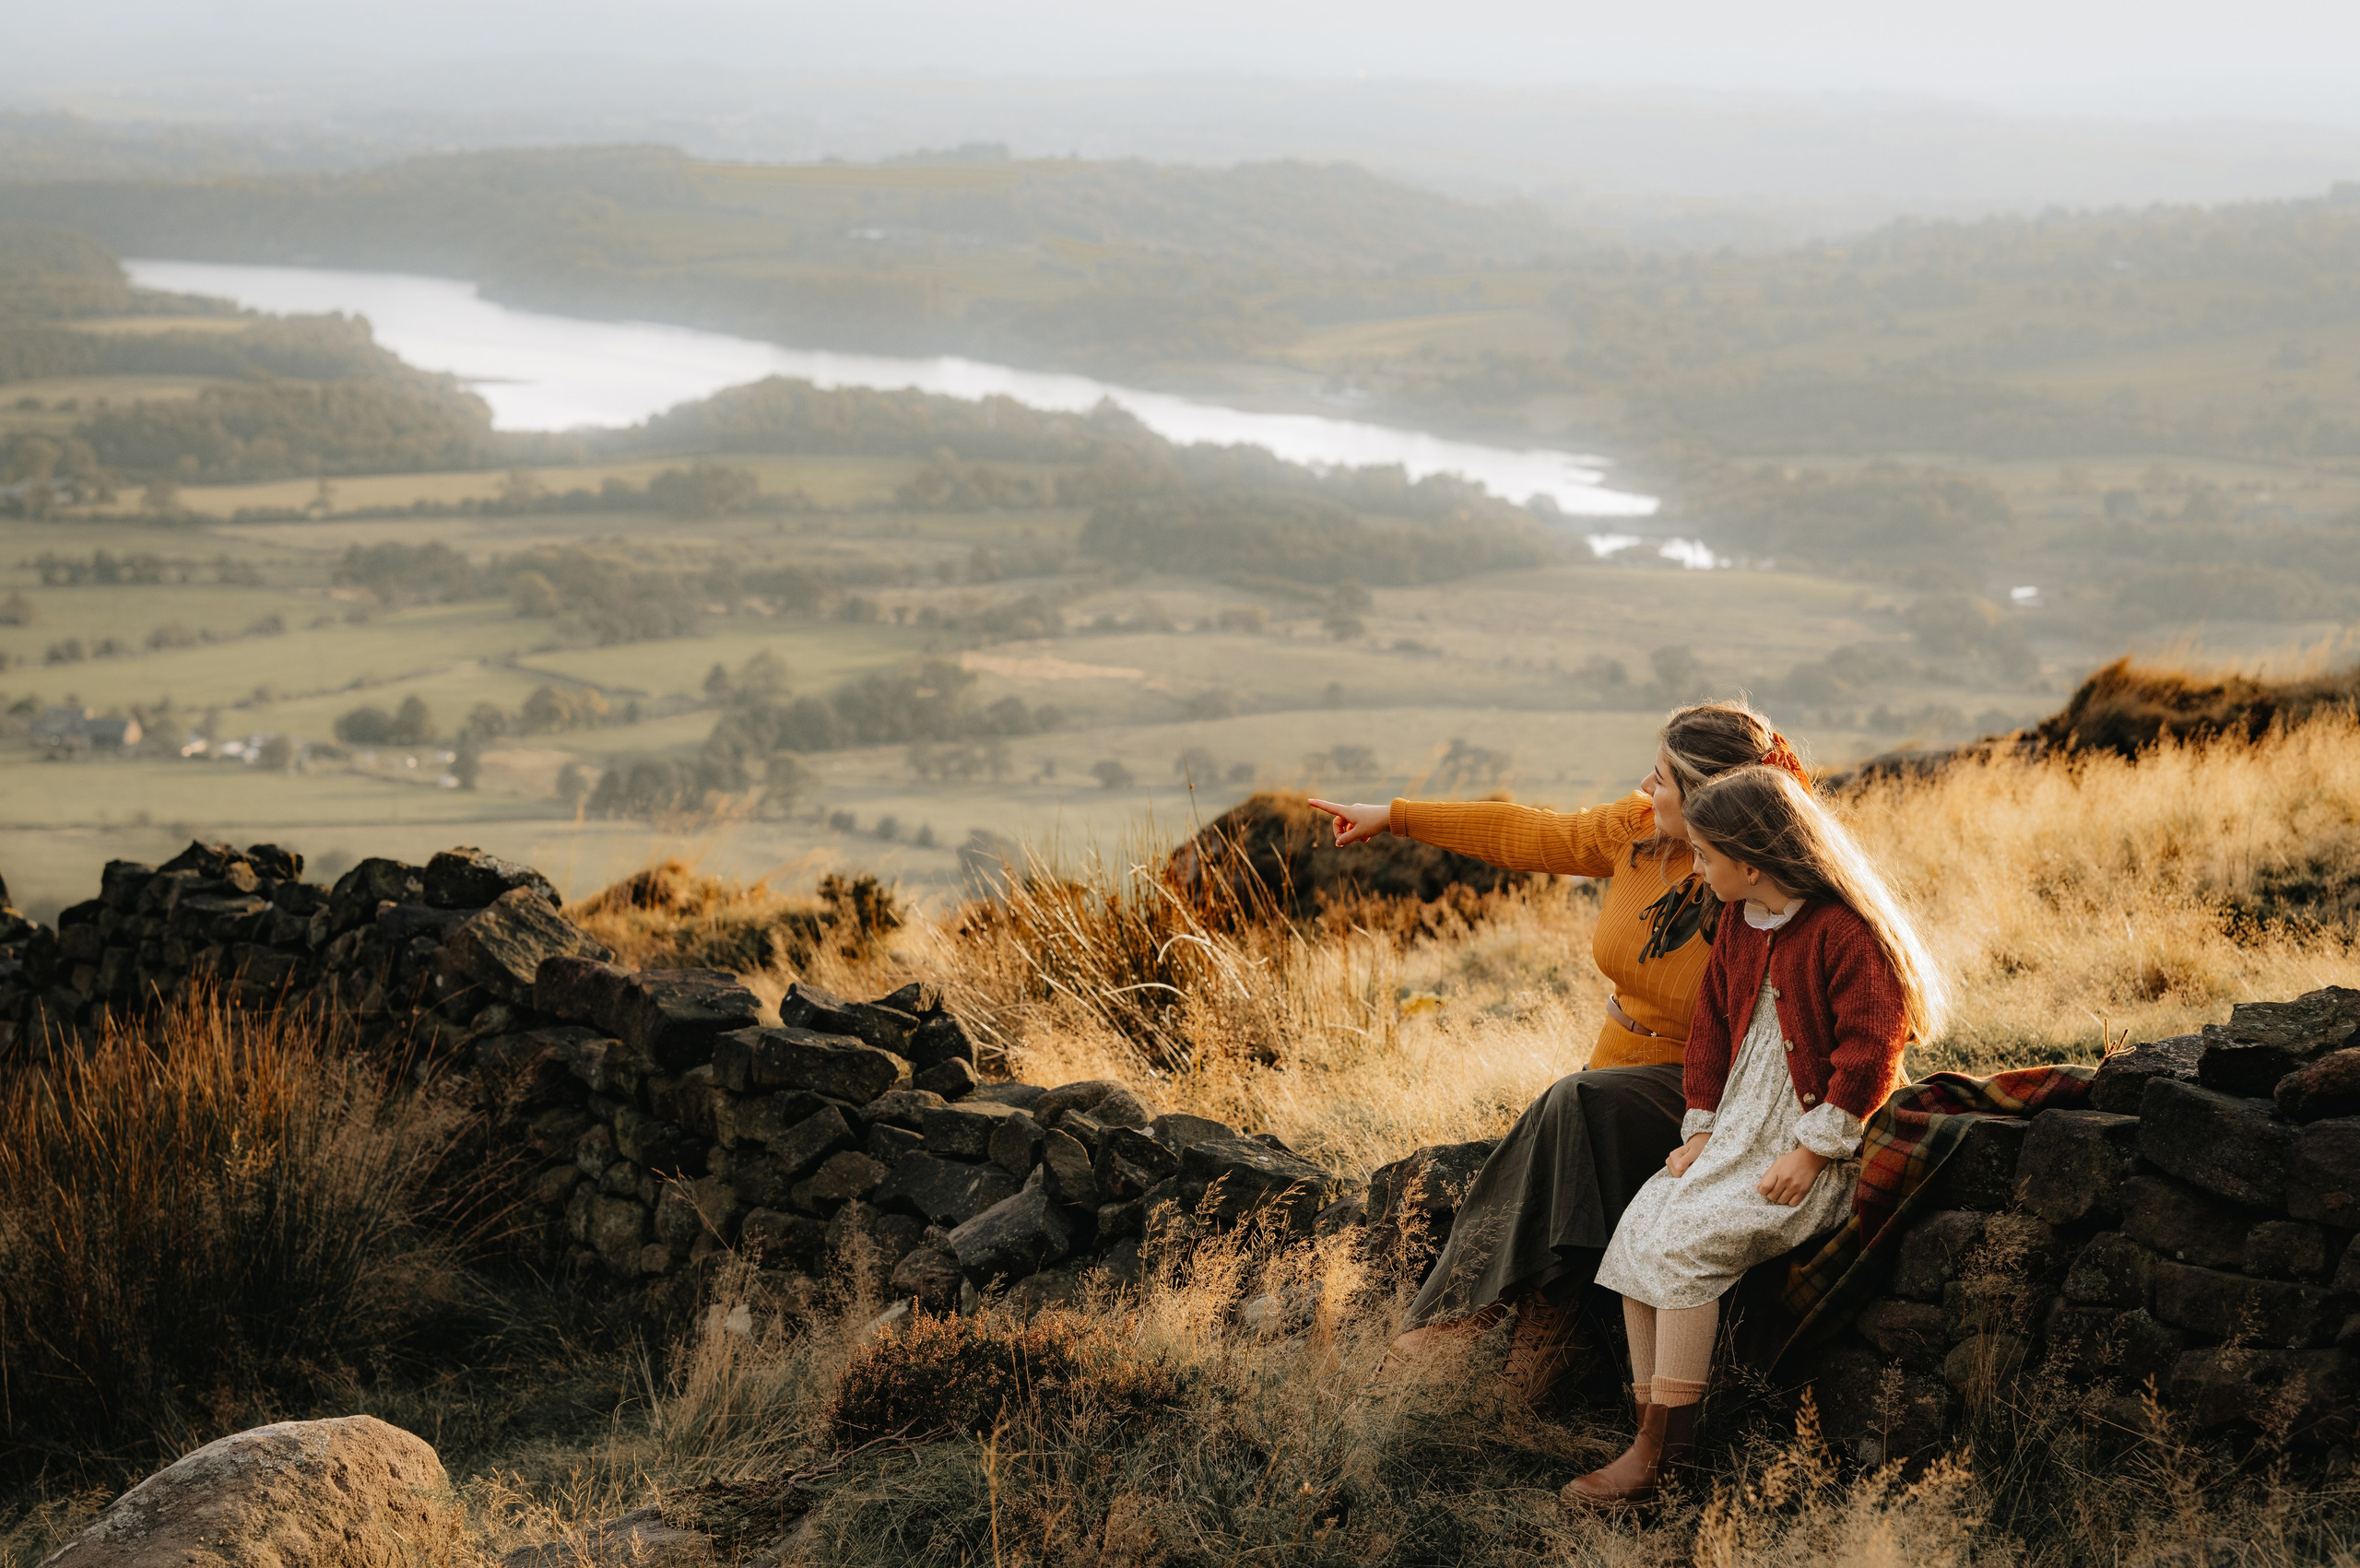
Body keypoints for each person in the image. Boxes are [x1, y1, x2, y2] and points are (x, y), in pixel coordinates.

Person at [1308, 701, 1814, 1401]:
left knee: (1574, 1106)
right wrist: (1392, 814)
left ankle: (1447, 1330)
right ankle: (1531, 1363)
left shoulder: (1757, 877)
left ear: (1707, 797)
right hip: (1614, 1088)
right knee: (1578, 1116)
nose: (1646, 783)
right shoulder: (1639, 830)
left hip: (1711, 1097)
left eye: (1663, 776)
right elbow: (1532, 833)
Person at [1559, 765, 1948, 1506]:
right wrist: (1701, 1127)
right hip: (1738, 1133)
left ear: (1752, 861)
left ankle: (1663, 1458)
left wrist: (1813, 1149)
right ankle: (1653, 1434)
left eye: (1705, 855)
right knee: (1642, 1227)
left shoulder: (1843, 931)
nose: (1695, 867)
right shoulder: (1740, 923)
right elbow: (1708, 1032)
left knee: (1688, 1244)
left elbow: (1873, 1048)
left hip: (1810, 1147)